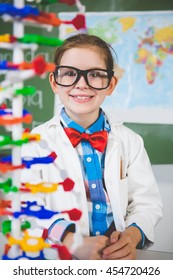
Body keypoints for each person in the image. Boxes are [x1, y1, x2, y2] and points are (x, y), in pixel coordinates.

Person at [21, 33, 163, 260]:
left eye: (95, 75)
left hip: (116, 259)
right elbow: (28, 206)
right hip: (57, 258)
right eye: (69, 73)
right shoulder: (34, 143)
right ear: (54, 82)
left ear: (111, 84)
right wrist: (70, 240)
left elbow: (147, 203)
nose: (81, 84)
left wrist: (133, 236)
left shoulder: (130, 141)